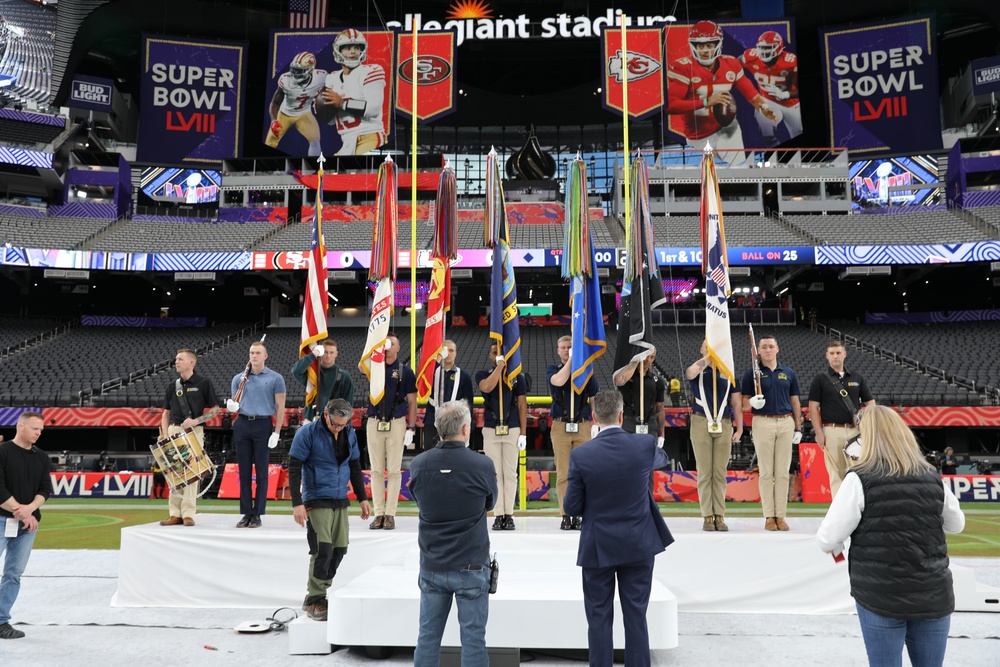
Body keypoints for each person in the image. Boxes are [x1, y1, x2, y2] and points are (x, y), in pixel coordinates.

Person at [817, 405, 965, 667]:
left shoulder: (860, 479)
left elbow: (828, 538)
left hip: (880, 596)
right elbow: (957, 524)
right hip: (931, 594)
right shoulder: (931, 476)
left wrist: (839, 546)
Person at [563, 391, 674, 667]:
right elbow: (661, 458)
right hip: (638, 544)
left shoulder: (581, 455)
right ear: (622, 416)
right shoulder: (644, 445)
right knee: (636, 615)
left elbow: (572, 507)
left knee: (599, 617)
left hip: (598, 545)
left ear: (593, 418)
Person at [409, 400, 497, 667]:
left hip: (434, 562)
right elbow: (490, 504)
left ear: (438, 428)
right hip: (471, 564)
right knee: (473, 640)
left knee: (427, 638)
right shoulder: (482, 465)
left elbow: (419, 498)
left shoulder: (420, 464)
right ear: (466, 429)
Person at [288, 398, 371, 622]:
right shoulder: (306, 434)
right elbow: (294, 468)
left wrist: (362, 498)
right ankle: (315, 597)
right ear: (326, 415)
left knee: (340, 548)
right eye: (336, 424)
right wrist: (297, 503)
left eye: (343, 425)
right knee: (321, 549)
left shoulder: (349, 433)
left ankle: (321, 592)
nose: (339, 428)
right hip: (316, 498)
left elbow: (354, 466)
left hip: (340, 498)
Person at [666, 21, 777, 154]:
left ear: (719, 44)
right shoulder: (683, 68)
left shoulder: (731, 64)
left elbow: (751, 95)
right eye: (700, 46)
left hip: (727, 128)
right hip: (697, 136)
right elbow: (669, 106)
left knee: (735, 169)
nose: (705, 50)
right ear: (693, 46)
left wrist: (764, 108)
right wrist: (707, 102)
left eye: (709, 45)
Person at [739, 334, 802, 531]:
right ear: (758, 351)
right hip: (763, 422)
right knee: (766, 472)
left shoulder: (788, 373)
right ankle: (768, 516)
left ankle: (780, 516)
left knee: (783, 472)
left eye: (771, 346)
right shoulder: (752, 374)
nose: (767, 350)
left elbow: (795, 401)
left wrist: (798, 427)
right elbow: (743, 405)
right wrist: (751, 403)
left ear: (777, 349)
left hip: (785, 422)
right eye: (764, 347)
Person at [0, 412, 51, 640]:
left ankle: (1, 621)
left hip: (28, 524)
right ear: (20, 426)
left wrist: (29, 510)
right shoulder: (2, 452)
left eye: (40, 429)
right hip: (3, 519)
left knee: (14, 574)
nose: (38, 433)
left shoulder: (41, 457)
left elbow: (45, 489)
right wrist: (22, 512)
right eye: (34, 428)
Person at [227, 340, 287, 528]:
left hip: (263, 425)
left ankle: (258, 514)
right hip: (243, 424)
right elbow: (235, 403)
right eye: (252, 352)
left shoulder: (276, 378)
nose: (254, 356)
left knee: (261, 472)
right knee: (243, 472)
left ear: (265, 356)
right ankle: (246, 513)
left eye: (258, 353)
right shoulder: (239, 378)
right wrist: (231, 408)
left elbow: (280, 406)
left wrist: (276, 432)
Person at [159, 348, 221, 527]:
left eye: (180, 359)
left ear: (191, 362)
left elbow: (215, 410)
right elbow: (165, 413)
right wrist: (164, 434)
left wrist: (196, 421)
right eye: (176, 359)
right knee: (174, 473)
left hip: (194, 432)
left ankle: (188, 513)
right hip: (173, 431)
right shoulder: (173, 385)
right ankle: (174, 513)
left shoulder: (203, 383)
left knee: (192, 473)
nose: (176, 362)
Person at [685, 341, 744, 532]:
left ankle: (719, 514)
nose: (710, 350)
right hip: (701, 420)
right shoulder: (699, 368)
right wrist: (708, 358)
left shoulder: (728, 372)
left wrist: (740, 428)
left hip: (724, 422)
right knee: (704, 472)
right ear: (701, 349)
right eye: (706, 346)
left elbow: (736, 403)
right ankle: (707, 516)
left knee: (719, 472)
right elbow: (690, 373)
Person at [362, 332, 417, 531]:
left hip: (396, 422)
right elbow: (361, 365)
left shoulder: (405, 371)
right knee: (376, 470)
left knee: (394, 470)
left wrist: (411, 427)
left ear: (397, 348)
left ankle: (391, 514)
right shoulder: (373, 367)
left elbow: (412, 402)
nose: (387, 346)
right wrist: (374, 346)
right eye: (385, 343)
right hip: (374, 421)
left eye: (391, 343)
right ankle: (378, 514)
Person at [807, 340, 875, 499]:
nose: (835, 356)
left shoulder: (857, 377)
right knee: (836, 473)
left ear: (844, 354)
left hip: (856, 431)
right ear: (827, 356)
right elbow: (813, 408)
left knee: (858, 473)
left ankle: (859, 509)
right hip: (832, 431)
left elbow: (870, 403)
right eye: (832, 353)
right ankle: (840, 513)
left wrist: (867, 425)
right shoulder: (820, 379)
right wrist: (819, 433)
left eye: (838, 353)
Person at [547, 335, 597, 531]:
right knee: (563, 474)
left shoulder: (586, 371)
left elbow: (593, 396)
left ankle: (580, 514)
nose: (567, 350)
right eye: (564, 348)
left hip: (583, 425)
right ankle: (566, 514)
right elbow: (559, 381)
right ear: (558, 351)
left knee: (583, 473)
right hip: (561, 426)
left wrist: (595, 421)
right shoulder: (552, 369)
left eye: (570, 347)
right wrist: (572, 362)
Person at [476, 342, 528, 531]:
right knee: (495, 474)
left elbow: (522, 405)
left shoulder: (517, 378)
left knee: (510, 473)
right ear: (490, 357)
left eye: (501, 353)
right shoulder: (482, 374)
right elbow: (488, 387)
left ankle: (509, 514)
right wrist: (499, 367)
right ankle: (498, 514)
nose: (497, 355)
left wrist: (523, 433)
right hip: (491, 429)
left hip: (512, 428)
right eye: (493, 352)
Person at [316, 29, 388, 156]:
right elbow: (332, 121)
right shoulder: (331, 78)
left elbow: (374, 108)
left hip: (370, 137)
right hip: (347, 141)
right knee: (329, 174)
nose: (353, 51)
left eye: (356, 47)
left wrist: (342, 103)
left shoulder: (371, 71)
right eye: (347, 48)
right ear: (338, 51)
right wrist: (321, 107)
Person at [739, 31, 801, 147]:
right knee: (767, 133)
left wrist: (785, 94)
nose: (764, 51)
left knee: (798, 136)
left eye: (768, 48)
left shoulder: (790, 62)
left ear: (779, 48)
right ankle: (778, 159)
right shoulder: (751, 57)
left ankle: (798, 161)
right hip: (768, 100)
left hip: (791, 103)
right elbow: (734, 65)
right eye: (761, 47)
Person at [264, 51, 327, 157]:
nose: (295, 73)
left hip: (304, 114)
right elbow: (274, 103)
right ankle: (263, 170)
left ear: (310, 70)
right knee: (269, 143)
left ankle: (313, 169)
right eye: (294, 69)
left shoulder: (321, 77)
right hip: (284, 114)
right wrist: (273, 120)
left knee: (315, 140)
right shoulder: (286, 79)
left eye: (299, 70)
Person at [422, 339, 475, 450]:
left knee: (454, 456)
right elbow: (422, 384)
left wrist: (467, 423)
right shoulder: (430, 373)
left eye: (451, 350)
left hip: (456, 424)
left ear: (456, 353)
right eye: (445, 350)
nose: (448, 353)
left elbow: (469, 402)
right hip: (432, 421)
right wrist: (438, 358)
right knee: (431, 456)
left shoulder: (464, 376)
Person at [291, 337, 355, 423]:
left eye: (331, 352)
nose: (328, 355)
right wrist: (313, 354)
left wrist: (346, 427)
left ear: (336, 354)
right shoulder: (312, 374)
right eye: (325, 352)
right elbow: (296, 371)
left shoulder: (344, 377)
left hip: (333, 422)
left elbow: (348, 405)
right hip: (311, 419)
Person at [613, 345, 665, 442]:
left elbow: (660, 408)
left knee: (649, 455)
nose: (648, 359)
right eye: (646, 355)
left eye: (652, 357)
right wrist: (635, 361)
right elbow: (618, 380)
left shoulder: (657, 381)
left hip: (650, 423)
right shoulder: (627, 378)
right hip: (628, 422)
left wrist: (662, 434)